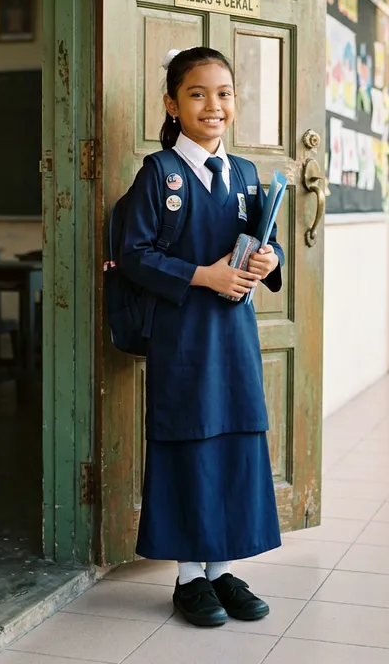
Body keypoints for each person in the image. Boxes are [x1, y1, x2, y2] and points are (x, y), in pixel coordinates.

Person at [119, 47, 283, 628]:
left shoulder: (243, 174)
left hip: (234, 336)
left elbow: (268, 241)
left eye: (224, 93)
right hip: (183, 337)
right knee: (189, 441)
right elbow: (133, 254)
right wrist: (201, 275)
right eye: (197, 93)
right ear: (172, 103)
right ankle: (190, 577)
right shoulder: (158, 175)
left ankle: (221, 569)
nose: (213, 105)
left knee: (234, 440)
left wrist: (269, 258)